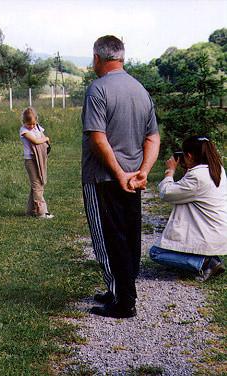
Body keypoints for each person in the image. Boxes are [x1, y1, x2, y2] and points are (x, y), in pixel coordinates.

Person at [81, 35, 160, 318]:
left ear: (97, 58)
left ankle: (123, 301)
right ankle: (121, 290)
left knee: (106, 238)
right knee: (128, 236)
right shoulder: (140, 90)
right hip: (134, 179)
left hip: (103, 177)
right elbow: (153, 137)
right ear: (122, 58)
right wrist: (143, 172)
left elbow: (97, 137)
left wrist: (117, 173)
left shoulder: (97, 90)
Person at [149, 136, 227, 281]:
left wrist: (170, 171)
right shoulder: (218, 170)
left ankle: (205, 263)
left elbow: (167, 193)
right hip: (215, 233)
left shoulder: (197, 176)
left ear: (189, 156)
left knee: (156, 253)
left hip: (207, 234)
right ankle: (207, 258)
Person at [19, 107, 53, 218]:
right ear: (24, 122)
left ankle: (30, 211)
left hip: (39, 159)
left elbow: (42, 138)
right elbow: (36, 141)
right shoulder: (24, 131)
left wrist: (46, 140)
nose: (32, 126)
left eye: (33, 124)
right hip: (31, 160)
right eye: (29, 124)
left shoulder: (37, 128)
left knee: (36, 185)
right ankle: (41, 212)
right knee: (37, 186)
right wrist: (46, 138)